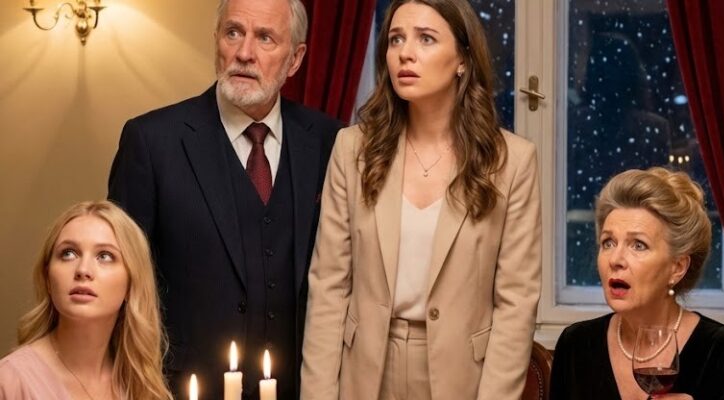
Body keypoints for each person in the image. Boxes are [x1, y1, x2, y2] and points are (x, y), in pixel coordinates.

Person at [300, 0, 541, 399]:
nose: (405, 53)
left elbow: (516, 303)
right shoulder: (352, 149)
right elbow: (328, 288)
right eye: (396, 39)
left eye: (426, 39)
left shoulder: (511, 162)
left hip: (463, 379)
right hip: (365, 375)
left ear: (462, 59)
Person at [108, 0, 341, 397]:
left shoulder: (330, 142)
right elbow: (120, 284)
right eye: (233, 33)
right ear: (216, 39)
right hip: (181, 388)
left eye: (265, 38)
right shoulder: (152, 142)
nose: (244, 53)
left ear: (296, 59)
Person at [550, 167, 724, 400]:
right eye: (608, 243)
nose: (615, 260)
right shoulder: (575, 345)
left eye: (638, 245)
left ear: (677, 267)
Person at [0, 200, 171, 400]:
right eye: (68, 253)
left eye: (105, 256)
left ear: (131, 283)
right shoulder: (10, 381)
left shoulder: (139, 384)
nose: (83, 270)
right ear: (47, 278)